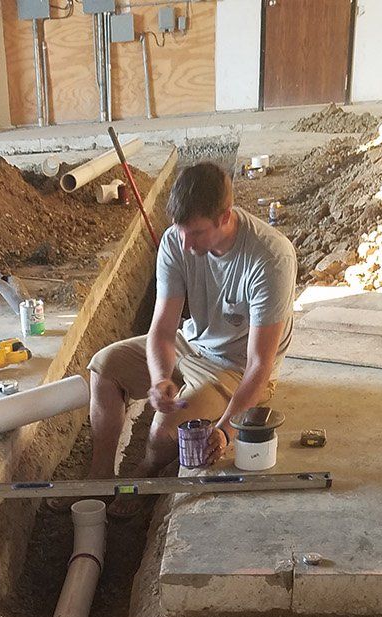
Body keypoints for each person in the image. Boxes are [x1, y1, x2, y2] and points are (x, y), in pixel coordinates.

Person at [85, 160, 297, 496]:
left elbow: (259, 365)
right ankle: (98, 480)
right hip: (192, 342)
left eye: (196, 232)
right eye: (180, 230)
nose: (185, 243)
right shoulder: (176, 241)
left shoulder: (269, 258)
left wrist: (225, 431)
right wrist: (160, 379)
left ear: (224, 217)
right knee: (103, 367)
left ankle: (145, 476)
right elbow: (163, 329)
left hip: (235, 366)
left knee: (162, 435)